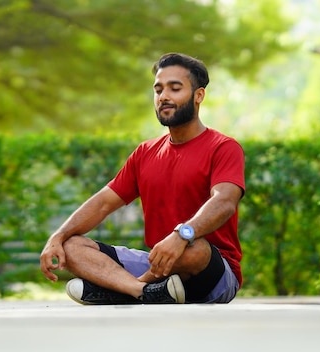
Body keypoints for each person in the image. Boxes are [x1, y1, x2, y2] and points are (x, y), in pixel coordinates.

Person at [39, 52, 245, 304]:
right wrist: (57, 237)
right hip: (158, 265)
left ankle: (121, 289)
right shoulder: (145, 153)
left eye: (175, 88)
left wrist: (182, 235)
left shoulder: (223, 147)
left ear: (198, 95)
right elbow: (103, 202)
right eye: (158, 90)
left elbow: (224, 202)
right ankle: (143, 292)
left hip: (211, 271)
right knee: (72, 247)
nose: (164, 97)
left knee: (196, 250)